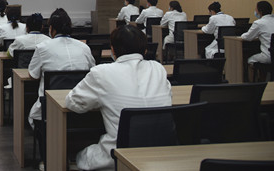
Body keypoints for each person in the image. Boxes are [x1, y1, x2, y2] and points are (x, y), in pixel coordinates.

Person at [65, 25, 172, 171]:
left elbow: (72, 103)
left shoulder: (101, 72)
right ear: (145, 50)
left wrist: (101, 101)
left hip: (119, 155)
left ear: (113, 50)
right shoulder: (158, 68)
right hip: (160, 152)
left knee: (80, 156)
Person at [28, 11, 95, 170]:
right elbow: (92, 71)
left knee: (35, 115)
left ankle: (47, 159)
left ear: (51, 28)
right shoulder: (84, 47)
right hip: (82, 104)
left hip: (50, 108)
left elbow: (33, 74)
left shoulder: (43, 47)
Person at [241, 1, 274, 66]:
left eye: (256, 9)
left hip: (268, 56)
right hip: (271, 55)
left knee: (250, 60)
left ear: (260, 11)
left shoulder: (259, 23)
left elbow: (247, 37)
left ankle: (258, 73)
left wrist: (242, 34)